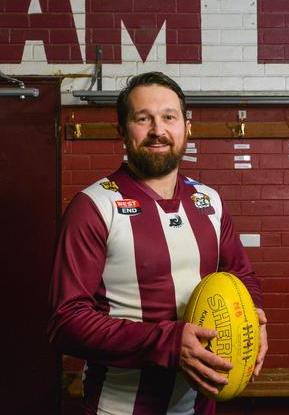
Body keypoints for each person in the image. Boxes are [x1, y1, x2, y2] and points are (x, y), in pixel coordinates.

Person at [48, 71, 268, 415]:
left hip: (199, 407)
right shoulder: (93, 207)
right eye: (142, 119)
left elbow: (242, 276)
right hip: (118, 407)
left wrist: (253, 321)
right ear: (122, 130)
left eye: (169, 117)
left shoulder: (209, 201)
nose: (157, 130)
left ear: (186, 127)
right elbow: (66, 322)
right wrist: (167, 342)